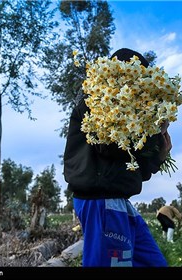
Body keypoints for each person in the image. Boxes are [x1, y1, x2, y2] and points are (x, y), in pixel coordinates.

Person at [63, 48, 172, 267]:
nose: (140, 90)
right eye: (139, 81)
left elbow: (133, 167)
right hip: (101, 201)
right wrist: (152, 133)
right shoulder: (94, 99)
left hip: (118, 200)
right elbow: (107, 146)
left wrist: (158, 157)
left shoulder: (131, 113)